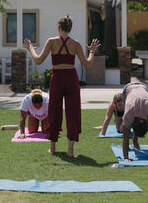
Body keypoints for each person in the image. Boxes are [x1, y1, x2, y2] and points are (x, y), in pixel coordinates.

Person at [23, 14, 100, 158]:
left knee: (54, 112)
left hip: (57, 78)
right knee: (73, 113)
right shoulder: (75, 44)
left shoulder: (52, 42)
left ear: (59, 27)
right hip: (71, 78)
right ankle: (70, 150)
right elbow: (88, 64)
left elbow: (38, 60)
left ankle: (52, 148)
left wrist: (31, 49)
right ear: (70, 28)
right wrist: (92, 51)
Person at [121, 82, 148, 162]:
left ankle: (135, 139)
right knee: (123, 126)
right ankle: (134, 140)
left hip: (145, 88)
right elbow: (125, 136)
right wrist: (125, 157)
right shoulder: (129, 114)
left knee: (126, 127)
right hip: (128, 89)